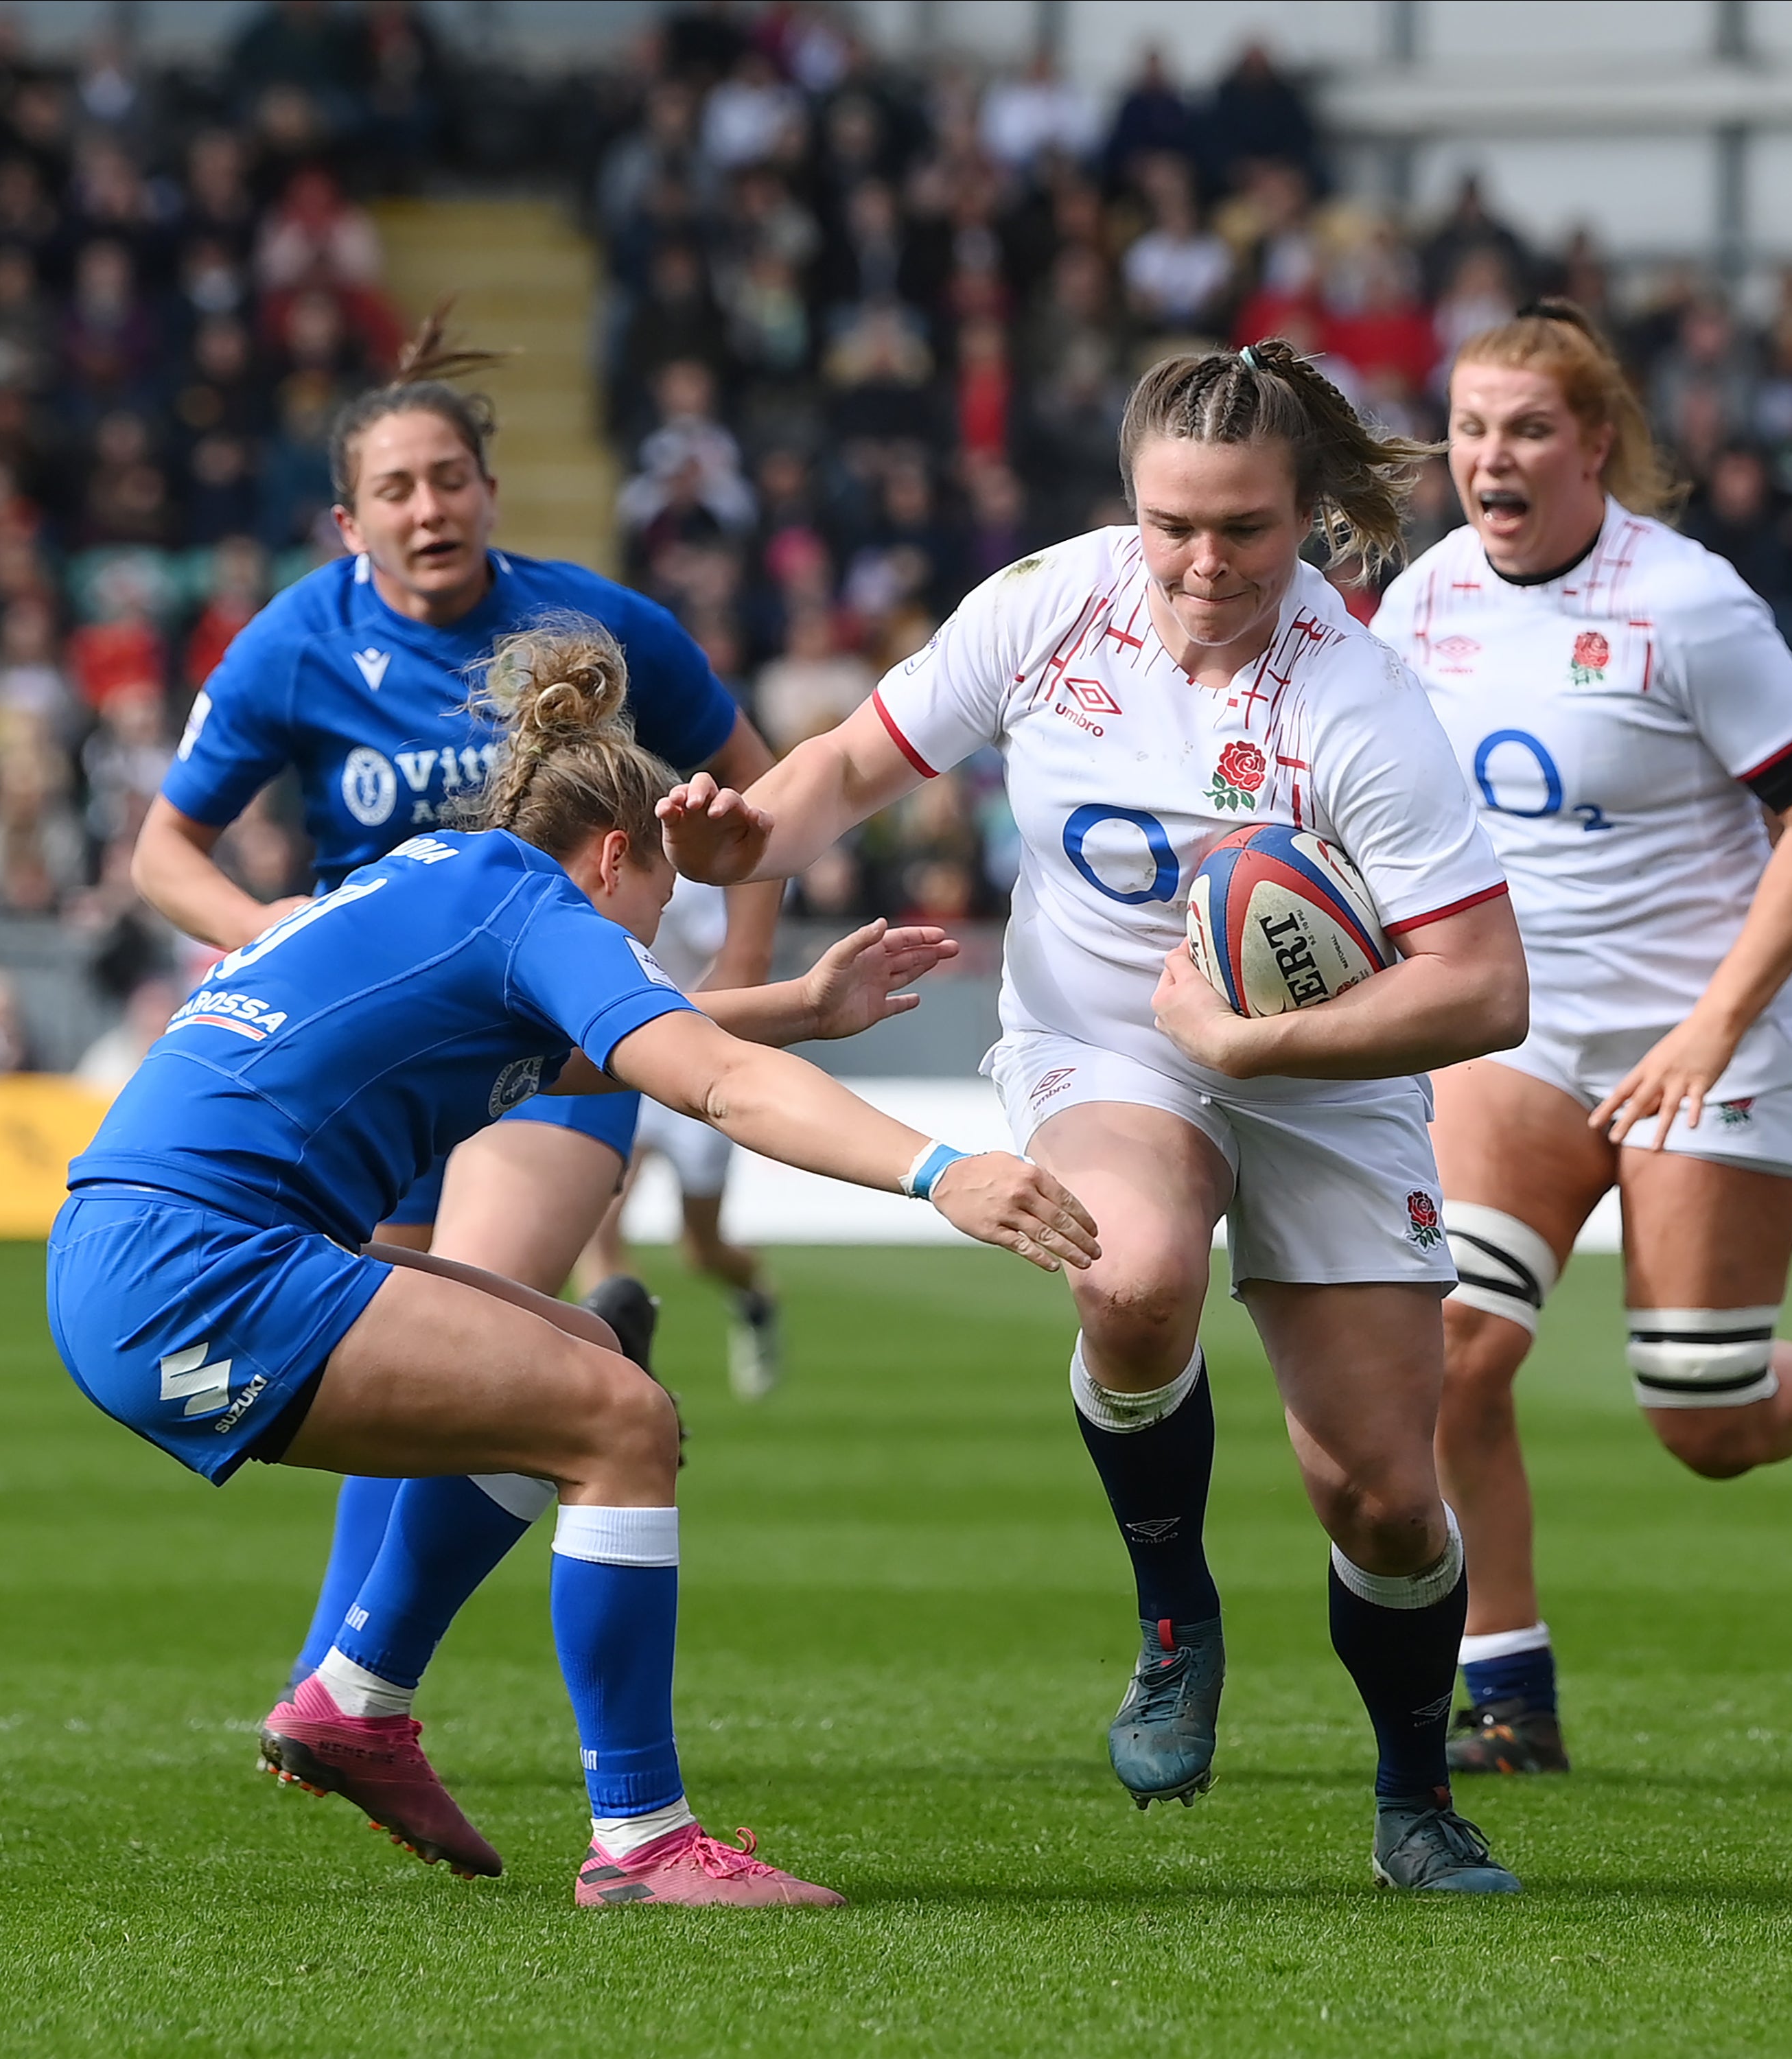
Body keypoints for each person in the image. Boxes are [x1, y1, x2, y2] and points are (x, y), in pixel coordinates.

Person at [661, 339, 1538, 1892]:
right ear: (1129, 501)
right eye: (1172, 523)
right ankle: (1171, 1608)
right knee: (1127, 1271)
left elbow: (1481, 989)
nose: (1204, 563)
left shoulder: (1359, 699)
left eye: (1246, 530)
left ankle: (1415, 1798)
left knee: (1388, 1500)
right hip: (1104, 1043)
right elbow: (857, 760)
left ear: (1309, 513)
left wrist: (1264, 1045)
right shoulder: (1049, 602)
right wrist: (747, 840)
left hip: (1325, 1071)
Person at [48, 618, 1095, 1904]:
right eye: (664, 903)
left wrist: (802, 1011)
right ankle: (644, 1845)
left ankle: (358, 1703)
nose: (658, 939)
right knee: (621, 1420)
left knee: (584, 1354)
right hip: (193, 1270)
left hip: (151, 1239)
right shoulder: (538, 910)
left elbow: (608, 1046)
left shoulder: (448, 878)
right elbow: (704, 1080)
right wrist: (948, 1170)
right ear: (615, 857)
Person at [129, 310, 788, 1733]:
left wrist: (716, 995)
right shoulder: (294, 642)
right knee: (387, 1341)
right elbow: (160, 853)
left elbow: (759, 797)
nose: (427, 507)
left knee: (449, 1328)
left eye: (448, 478)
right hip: (372, 1053)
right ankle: (347, 1682)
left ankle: (345, 1683)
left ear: (490, 489)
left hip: (548, 1044)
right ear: (346, 517)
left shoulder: (594, 627)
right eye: (395, 488)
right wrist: (275, 936)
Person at [1369, 300, 1792, 1777]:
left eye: (1527, 429)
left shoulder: (1687, 605)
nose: (1491, 457)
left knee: (1701, 1413)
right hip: (1515, 1038)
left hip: (1711, 1044)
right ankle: (1508, 1694)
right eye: (1472, 428)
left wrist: (1709, 1027)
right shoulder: (1422, 599)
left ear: (1594, 445)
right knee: (1448, 1355)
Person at [579, 876, 785, 1401]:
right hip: (628, 1061)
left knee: (701, 1248)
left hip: (694, 1059)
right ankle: (624, 1375)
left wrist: (677, 1025)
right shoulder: (594, 867)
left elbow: (737, 963)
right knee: (599, 1228)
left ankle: (756, 1295)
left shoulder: (687, 886)